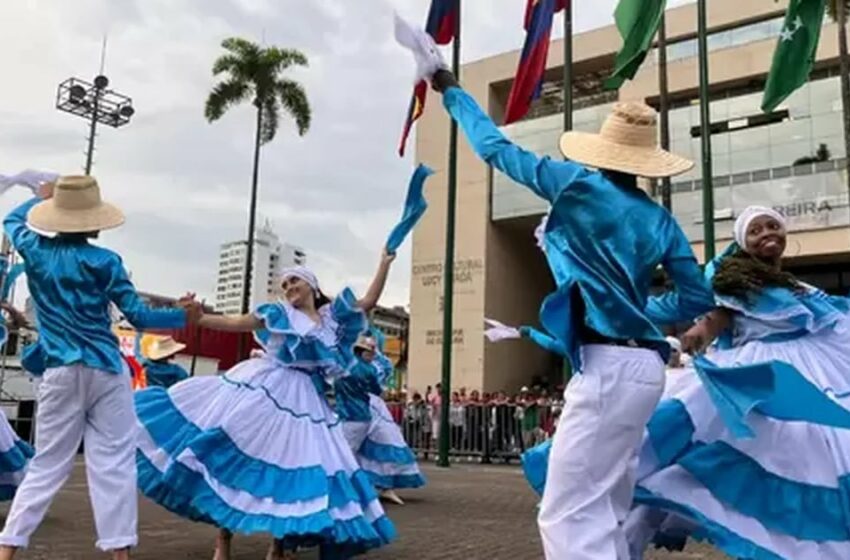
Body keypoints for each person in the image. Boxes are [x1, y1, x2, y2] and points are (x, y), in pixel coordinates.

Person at [401, 29, 715, 558]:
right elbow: (695, 299)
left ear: (605, 150)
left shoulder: (576, 185)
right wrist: (640, 310)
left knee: (568, 511)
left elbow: (493, 147)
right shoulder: (659, 220)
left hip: (608, 367)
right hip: (646, 371)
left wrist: (448, 85)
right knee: (610, 505)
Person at [135, 254, 397, 560]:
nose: (288, 287)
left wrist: (384, 262)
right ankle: (223, 539)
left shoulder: (330, 320)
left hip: (306, 401)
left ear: (312, 285)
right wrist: (201, 318)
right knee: (231, 455)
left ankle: (278, 546)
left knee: (293, 468)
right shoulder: (278, 313)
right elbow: (237, 322)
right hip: (265, 389)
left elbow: (367, 300)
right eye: (284, 284)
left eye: (294, 281)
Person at [623, 206, 850, 559]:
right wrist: (693, 337)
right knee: (690, 447)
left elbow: (833, 323)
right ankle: (627, 534)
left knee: (811, 460)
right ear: (744, 242)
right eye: (756, 230)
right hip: (752, 377)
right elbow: (714, 319)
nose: (767, 233)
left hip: (810, 378)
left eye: (773, 225)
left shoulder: (798, 289)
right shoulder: (734, 282)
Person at [0, 176, 196, 560]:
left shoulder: (34, 249)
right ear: (94, 221)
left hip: (59, 370)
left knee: (47, 464)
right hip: (106, 368)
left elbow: (11, 221)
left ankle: (7, 549)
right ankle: (119, 554)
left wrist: (40, 197)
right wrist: (184, 315)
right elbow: (138, 315)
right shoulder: (106, 261)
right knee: (114, 463)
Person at [348, 333, 425, 506]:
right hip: (355, 407)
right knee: (351, 448)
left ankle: (386, 486)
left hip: (375, 407)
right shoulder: (351, 363)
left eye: (372, 350)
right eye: (367, 350)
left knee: (389, 441)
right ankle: (352, 486)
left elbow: (380, 382)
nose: (371, 353)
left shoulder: (380, 363)